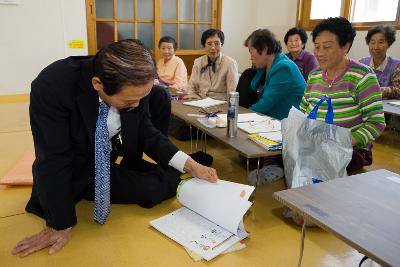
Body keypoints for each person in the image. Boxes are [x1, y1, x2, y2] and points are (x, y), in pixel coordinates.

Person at [12, 39, 218, 257]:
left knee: (156, 181)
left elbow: (148, 132)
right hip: (74, 168)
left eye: (141, 98)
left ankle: (179, 168)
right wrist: (59, 224)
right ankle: (170, 175)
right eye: (129, 102)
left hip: (108, 159)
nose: (137, 105)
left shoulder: (134, 84)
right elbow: (53, 157)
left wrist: (190, 164)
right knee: (152, 189)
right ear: (98, 84)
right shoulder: (53, 86)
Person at [300, 17, 386, 172]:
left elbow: (376, 123)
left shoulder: (362, 76)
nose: (319, 53)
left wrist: (342, 142)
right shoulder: (314, 75)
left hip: (351, 150)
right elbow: (302, 111)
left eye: (327, 47)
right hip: (315, 145)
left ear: (345, 46)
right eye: (317, 47)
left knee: (315, 166)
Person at [243, 29, 306, 120]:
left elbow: (266, 103)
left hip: (289, 125)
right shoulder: (267, 66)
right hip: (272, 121)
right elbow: (253, 89)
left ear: (264, 49)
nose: (250, 57)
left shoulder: (284, 67)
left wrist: (241, 117)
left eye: (251, 51)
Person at [184, 29, 239, 100]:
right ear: (204, 45)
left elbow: (232, 92)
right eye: (209, 44)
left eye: (217, 43)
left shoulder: (230, 63)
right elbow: (191, 86)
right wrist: (192, 97)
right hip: (199, 101)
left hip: (221, 103)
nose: (213, 48)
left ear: (221, 44)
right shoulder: (198, 62)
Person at [359, 25, 400, 98]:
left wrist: (378, 91)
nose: (376, 47)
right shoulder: (361, 63)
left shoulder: (397, 65)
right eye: (372, 42)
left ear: (389, 44)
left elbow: (398, 90)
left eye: (381, 42)